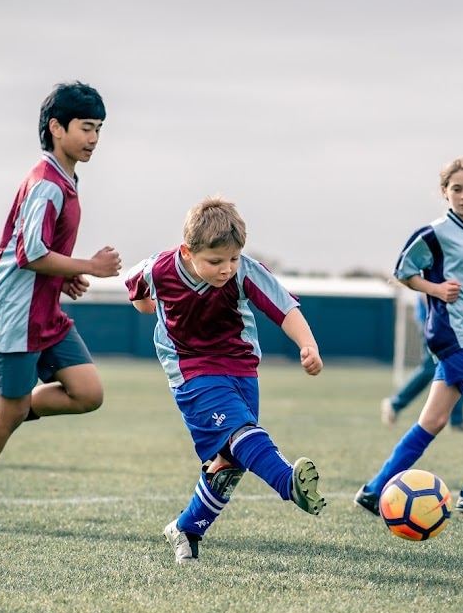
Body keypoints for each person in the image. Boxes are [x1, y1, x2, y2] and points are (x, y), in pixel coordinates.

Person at [0, 81, 122, 527]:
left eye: (99, 129)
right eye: (85, 128)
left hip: (44, 311)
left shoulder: (66, 179)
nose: (94, 139)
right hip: (13, 314)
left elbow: (38, 252)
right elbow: (29, 255)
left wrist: (67, 276)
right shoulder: (47, 185)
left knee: (88, 394)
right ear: (56, 127)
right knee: (12, 412)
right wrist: (90, 266)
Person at [125, 196, 326, 564]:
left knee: (231, 461)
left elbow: (284, 307)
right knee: (241, 432)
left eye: (232, 259)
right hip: (190, 369)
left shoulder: (245, 271)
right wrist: (147, 305)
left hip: (241, 368)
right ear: (187, 251)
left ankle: (186, 528)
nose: (226, 269)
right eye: (215, 261)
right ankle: (287, 484)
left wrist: (308, 345)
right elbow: (134, 286)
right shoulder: (159, 269)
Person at [354, 157, 463, 518]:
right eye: (456, 189)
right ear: (444, 192)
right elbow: (402, 272)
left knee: (433, 421)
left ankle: (374, 490)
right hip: (450, 331)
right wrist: (436, 288)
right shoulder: (434, 232)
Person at [381, 293, 463, 431]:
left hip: (452, 321)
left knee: (459, 366)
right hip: (434, 321)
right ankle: (395, 403)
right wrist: (438, 315)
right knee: (431, 367)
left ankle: (457, 420)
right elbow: (423, 288)